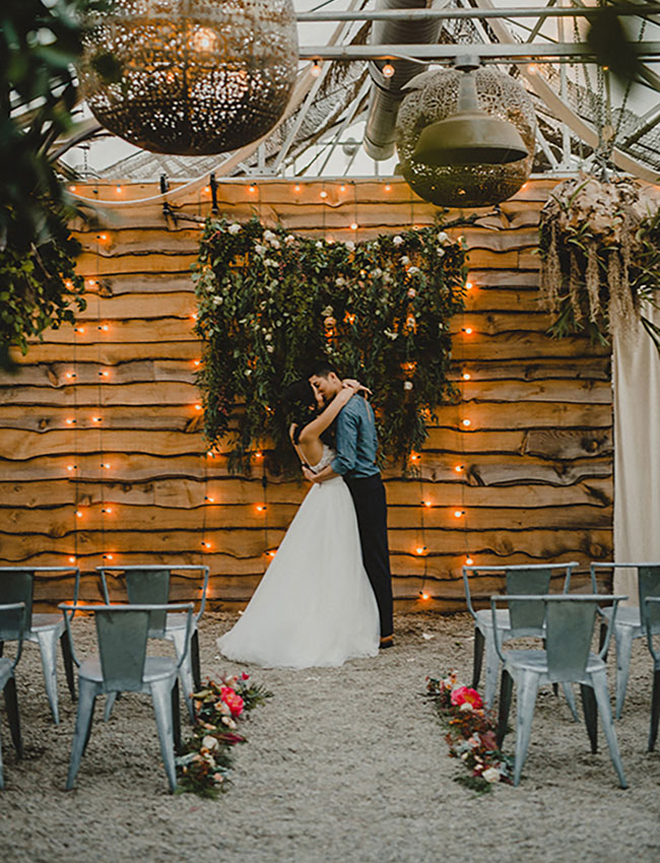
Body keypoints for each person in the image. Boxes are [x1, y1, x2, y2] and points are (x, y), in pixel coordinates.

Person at [216, 378, 379, 668]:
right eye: (315, 392)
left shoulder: (294, 431)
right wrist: (349, 390)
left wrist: (313, 474)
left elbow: (311, 459)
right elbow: (337, 412)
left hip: (319, 497)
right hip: (332, 496)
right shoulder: (309, 431)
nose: (319, 395)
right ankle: (329, 620)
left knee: (314, 559)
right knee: (338, 558)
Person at [306, 363, 394, 648]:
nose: (317, 392)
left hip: (360, 488)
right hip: (373, 485)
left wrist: (316, 477)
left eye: (319, 385)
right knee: (375, 554)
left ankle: (383, 630)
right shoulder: (361, 401)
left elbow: (345, 461)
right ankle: (382, 627)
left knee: (369, 557)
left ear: (332, 377)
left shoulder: (344, 411)